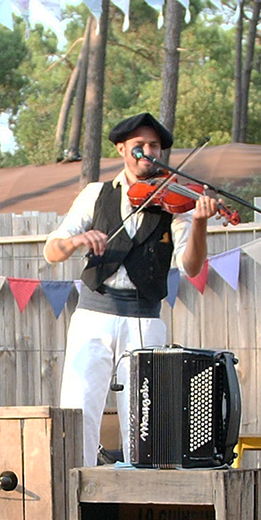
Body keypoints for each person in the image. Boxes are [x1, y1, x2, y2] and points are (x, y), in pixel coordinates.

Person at [43, 112, 218, 466]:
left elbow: (192, 266)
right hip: (93, 316)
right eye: (140, 146)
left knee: (147, 424)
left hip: (145, 319)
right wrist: (78, 240)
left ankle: (137, 502)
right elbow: (52, 251)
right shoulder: (96, 194)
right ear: (123, 149)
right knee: (79, 411)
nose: (148, 152)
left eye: (154, 146)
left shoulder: (176, 201)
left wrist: (199, 223)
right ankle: (77, 498)